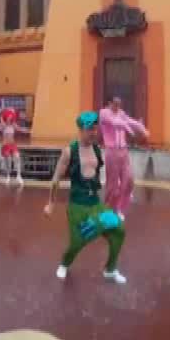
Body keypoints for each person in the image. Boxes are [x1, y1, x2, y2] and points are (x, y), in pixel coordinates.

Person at [44, 111, 127, 284]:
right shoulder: (69, 152)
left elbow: (99, 177)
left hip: (95, 204)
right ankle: (64, 264)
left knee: (118, 230)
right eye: (90, 129)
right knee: (78, 242)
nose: (94, 133)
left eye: (95, 129)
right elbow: (56, 179)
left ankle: (110, 270)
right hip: (77, 207)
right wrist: (51, 203)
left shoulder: (96, 149)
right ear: (81, 130)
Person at [99, 96, 149, 221]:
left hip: (124, 151)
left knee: (129, 180)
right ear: (109, 103)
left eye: (119, 104)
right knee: (112, 186)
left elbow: (130, 121)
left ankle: (120, 208)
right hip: (112, 151)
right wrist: (129, 128)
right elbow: (116, 123)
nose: (118, 107)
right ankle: (109, 210)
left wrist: (142, 128)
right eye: (115, 104)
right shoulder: (104, 113)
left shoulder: (121, 113)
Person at [0, 108, 29, 186]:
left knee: (17, 157)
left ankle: (18, 176)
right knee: (8, 161)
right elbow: (2, 120)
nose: (9, 119)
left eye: (11, 117)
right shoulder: (3, 125)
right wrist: (3, 117)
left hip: (12, 144)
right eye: (8, 117)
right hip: (5, 145)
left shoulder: (13, 125)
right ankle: (8, 176)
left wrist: (26, 130)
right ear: (6, 118)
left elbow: (19, 128)